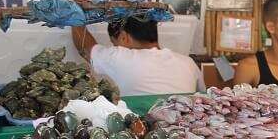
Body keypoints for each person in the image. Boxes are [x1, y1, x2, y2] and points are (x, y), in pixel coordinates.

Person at [72, 17, 205, 96]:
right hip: (185, 136)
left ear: (124, 37)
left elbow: (84, 47)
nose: (114, 47)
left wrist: (74, 16)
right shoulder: (188, 63)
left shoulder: (120, 58)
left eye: (114, 43)